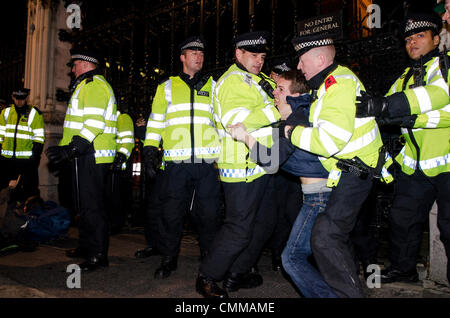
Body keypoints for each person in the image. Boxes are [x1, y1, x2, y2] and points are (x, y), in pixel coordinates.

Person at [284, 33, 387, 298]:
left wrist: (292, 132)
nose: (298, 66)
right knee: (330, 237)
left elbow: (329, 141)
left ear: (320, 58)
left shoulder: (338, 84)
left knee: (326, 236)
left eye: (302, 59)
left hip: (358, 170)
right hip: (350, 171)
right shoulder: (328, 84)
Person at [356, 12, 450, 284]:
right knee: (401, 220)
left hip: (446, 164)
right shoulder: (406, 76)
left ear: (436, 38)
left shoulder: (444, 68)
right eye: (408, 39)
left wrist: (402, 114)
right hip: (414, 166)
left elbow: (437, 99)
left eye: (420, 36)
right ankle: (404, 270)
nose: (412, 43)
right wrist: (378, 108)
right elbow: (387, 105)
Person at [228, 69, 337, 297]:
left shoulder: (296, 120)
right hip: (318, 195)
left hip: (320, 197)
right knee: (324, 256)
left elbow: (270, 161)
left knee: (293, 258)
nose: (274, 94)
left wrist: (246, 137)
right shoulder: (297, 115)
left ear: (295, 97)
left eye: (280, 90)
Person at [196, 31, 281, 298]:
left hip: (264, 163)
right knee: (240, 228)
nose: (259, 61)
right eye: (254, 55)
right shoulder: (232, 81)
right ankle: (207, 277)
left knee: (264, 224)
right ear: (238, 54)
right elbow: (238, 120)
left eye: (263, 56)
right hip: (240, 166)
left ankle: (237, 273)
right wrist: (279, 108)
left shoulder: (261, 80)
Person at [143, 36, 222, 279]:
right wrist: (149, 148)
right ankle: (169, 258)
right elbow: (156, 121)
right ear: (182, 57)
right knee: (172, 213)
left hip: (207, 163)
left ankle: (208, 256)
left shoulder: (214, 85)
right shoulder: (166, 87)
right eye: (193, 52)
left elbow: (221, 123)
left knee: (209, 214)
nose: (199, 56)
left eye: (201, 53)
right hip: (176, 164)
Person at [46, 48, 118, 271]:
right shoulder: (85, 86)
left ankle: (98, 255)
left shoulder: (94, 86)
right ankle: (87, 246)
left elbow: (94, 124)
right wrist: (67, 149)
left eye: (75, 64)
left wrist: (71, 149)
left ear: (86, 64)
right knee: (84, 206)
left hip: (92, 154)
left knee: (92, 207)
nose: (73, 69)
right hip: (84, 154)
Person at [0, 88, 45, 201]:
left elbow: (39, 138)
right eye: (17, 98)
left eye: (22, 99)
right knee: (5, 193)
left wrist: (35, 157)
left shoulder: (34, 113)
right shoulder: (5, 112)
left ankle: (30, 215)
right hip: (6, 160)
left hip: (26, 161)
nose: (19, 101)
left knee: (29, 192)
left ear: (26, 98)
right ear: (12, 97)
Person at [107, 110, 134, 234]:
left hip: (119, 166)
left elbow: (128, 140)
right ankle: (113, 222)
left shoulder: (122, 117)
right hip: (109, 164)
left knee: (116, 197)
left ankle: (116, 224)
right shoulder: (109, 118)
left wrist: (120, 158)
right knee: (110, 196)